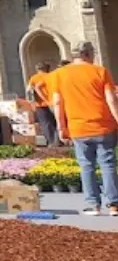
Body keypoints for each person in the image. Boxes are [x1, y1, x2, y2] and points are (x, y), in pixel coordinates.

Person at [50, 42, 118, 216]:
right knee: (108, 164)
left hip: (78, 127)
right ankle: (114, 204)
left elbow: (57, 102)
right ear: (88, 54)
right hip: (103, 126)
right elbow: (111, 99)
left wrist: (61, 127)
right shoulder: (100, 71)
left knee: (86, 166)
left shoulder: (59, 74)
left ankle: (93, 205)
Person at [27, 64, 59, 147]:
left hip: (40, 104)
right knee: (56, 122)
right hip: (53, 102)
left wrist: (31, 103)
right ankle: (58, 140)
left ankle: (52, 142)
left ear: (37, 69)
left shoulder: (33, 78)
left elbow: (29, 91)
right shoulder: (51, 76)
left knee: (45, 123)